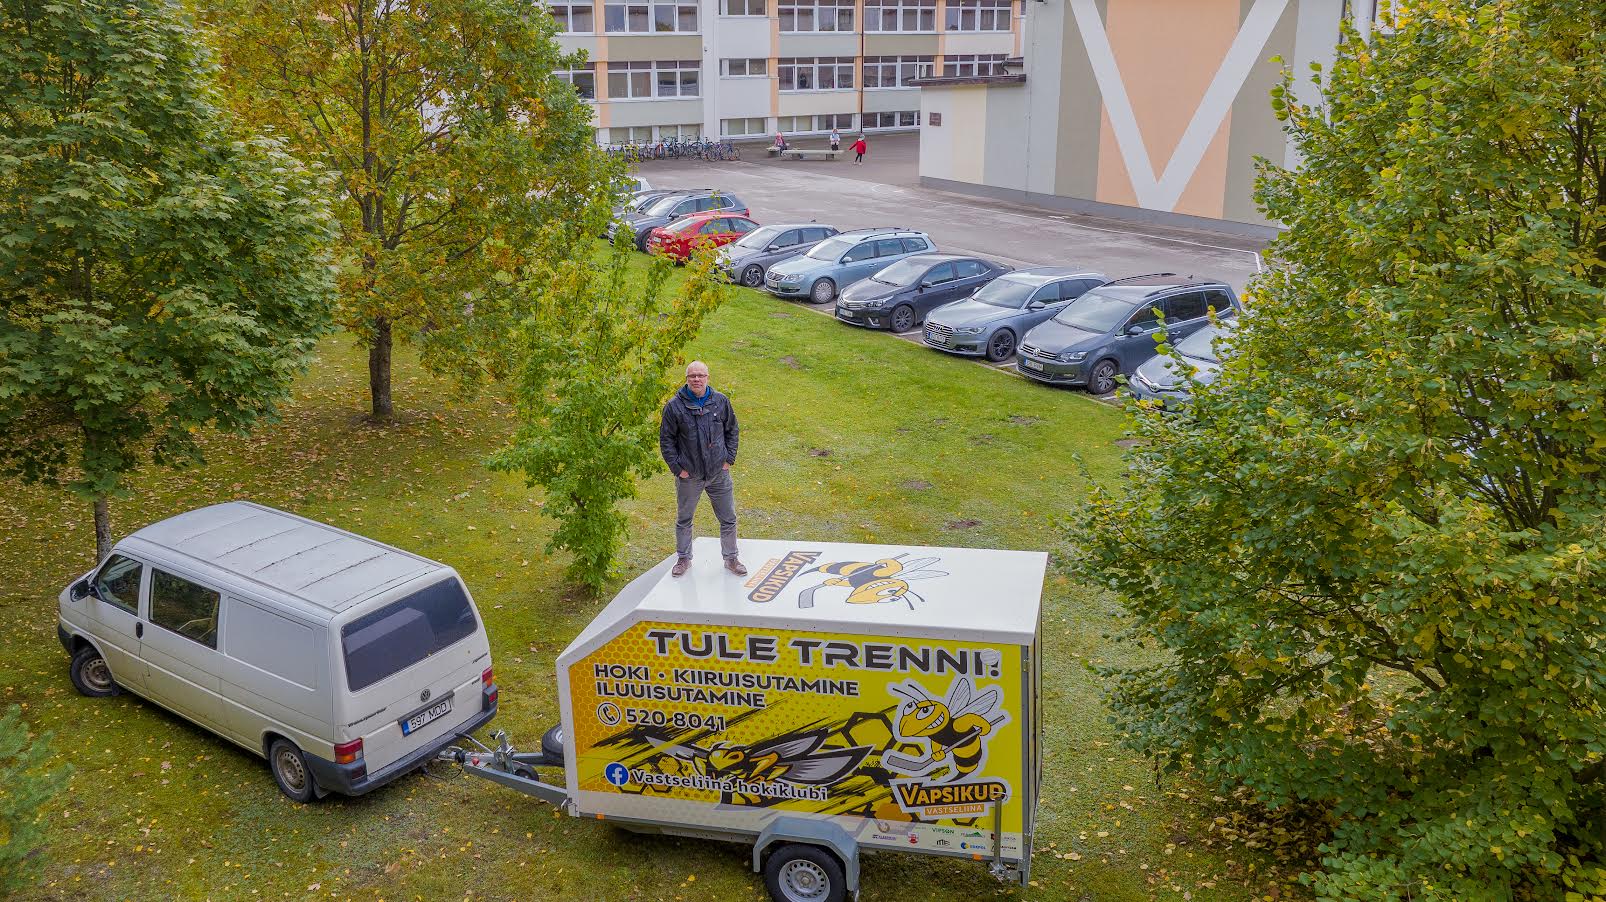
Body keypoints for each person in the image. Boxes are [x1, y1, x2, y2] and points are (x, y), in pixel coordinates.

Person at [659, 361, 745, 577]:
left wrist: (728, 460)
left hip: (718, 473)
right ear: (686, 379)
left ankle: (731, 558)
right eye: (692, 376)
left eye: (700, 375)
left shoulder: (720, 402)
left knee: (728, 518)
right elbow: (666, 440)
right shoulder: (674, 407)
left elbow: (732, 430)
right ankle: (683, 559)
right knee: (684, 519)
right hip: (690, 476)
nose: (696, 379)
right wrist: (678, 469)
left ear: (708, 377)